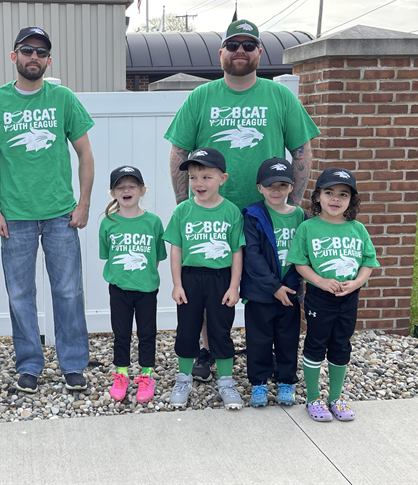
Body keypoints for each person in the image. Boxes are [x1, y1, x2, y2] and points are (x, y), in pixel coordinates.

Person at [164, 19, 320, 382]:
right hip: (211, 213)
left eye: (248, 45)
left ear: (259, 54)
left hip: (266, 216)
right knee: (209, 288)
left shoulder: (279, 96)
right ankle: (207, 350)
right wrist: (183, 203)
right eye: (233, 45)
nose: (240, 51)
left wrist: (291, 204)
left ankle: (265, 355)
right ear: (220, 52)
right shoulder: (201, 97)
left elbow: (301, 150)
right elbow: (178, 152)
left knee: (270, 286)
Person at [0, 27, 96, 393]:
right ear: (14, 56)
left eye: (41, 52)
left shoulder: (63, 98)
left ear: (48, 60)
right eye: (27, 51)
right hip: (15, 216)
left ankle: (73, 363)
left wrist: (84, 203)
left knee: (69, 292)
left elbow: (85, 153)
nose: (34, 58)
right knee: (19, 294)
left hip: (60, 213)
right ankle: (29, 364)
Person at [286, 168, 380, 422]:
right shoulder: (308, 228)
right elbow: (300, 263)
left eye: (343, 194)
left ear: (352, 200)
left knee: (341, 344)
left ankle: (336, 397)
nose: (335, 199)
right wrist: (320, 281)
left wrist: (357, 283)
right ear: (317, 197)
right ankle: (313, 398)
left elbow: (368, 262)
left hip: (348, 298)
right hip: (320, 296)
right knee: (316, 344)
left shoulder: (357, 229)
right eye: (329, 193)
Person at [162, 148, 246, 409]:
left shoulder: (231, 212)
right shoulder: (182, 211)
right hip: (190, 278)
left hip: (220, 279)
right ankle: (183, 378)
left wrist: (234, 286)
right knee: (187, 331)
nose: (199, 183)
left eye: (207, 177)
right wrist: (177, 283)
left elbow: (236, 251)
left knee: (220, 331)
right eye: (194, 177)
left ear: (223, 178)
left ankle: (226, 382)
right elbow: (176, 249)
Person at [241, 158, 307, 408]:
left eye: (283, 185)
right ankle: (258, 383)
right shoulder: (253, 215)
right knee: (258, 340)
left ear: (292, 187)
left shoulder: (301, 216)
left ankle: (287, 381)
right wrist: (274, 286)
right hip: (260, 293)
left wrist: (288, 286)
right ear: (260, 188)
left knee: (288, 338)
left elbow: (303, 253)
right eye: (270, 186)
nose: (276, 190)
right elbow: (253, 256)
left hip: (289, 291)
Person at [99, 166, 167, 404]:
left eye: (132, 186)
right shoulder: (108, 223)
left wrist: (144, 276)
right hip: (119, 288)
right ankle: (121, 374)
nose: (126, 190)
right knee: (121, 334)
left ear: (142, 190)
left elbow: (157, 256)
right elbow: (107, 255)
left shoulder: (153, 222)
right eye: (120, 187)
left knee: (147, 334)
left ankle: (147, 375)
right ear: (113, 193)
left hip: (146, 289)